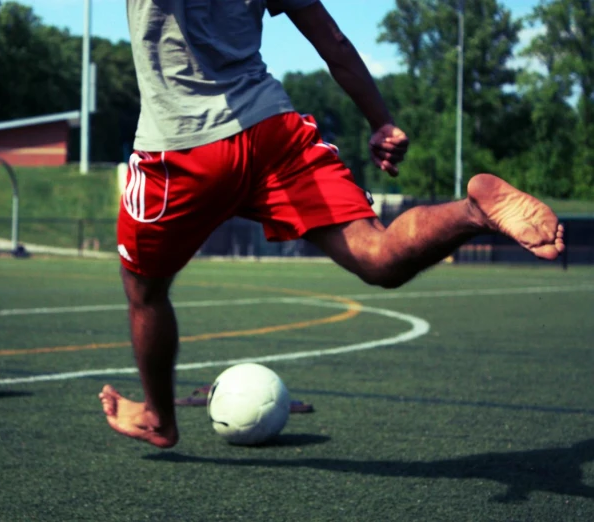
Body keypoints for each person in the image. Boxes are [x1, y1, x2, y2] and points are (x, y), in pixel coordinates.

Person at [99, 0, 565, 448]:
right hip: (273, 131)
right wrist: (380, 121)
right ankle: (472, 212)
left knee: (145, 291)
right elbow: (334, 42)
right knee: (377, 254)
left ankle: (159, 417)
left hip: (182, 148)